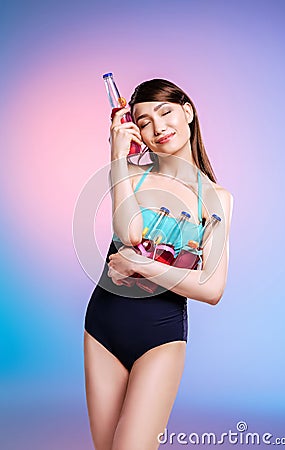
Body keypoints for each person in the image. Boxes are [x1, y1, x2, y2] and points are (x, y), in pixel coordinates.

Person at [84, 78, 234, 450]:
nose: (158, 127)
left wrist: (144, 267)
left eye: (165, 112)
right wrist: (117, 155)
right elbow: (130, 231)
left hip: (160, 336)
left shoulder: (216, 199)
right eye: (144, 121)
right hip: (101, 327)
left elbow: (212, 289)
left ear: (188, 111)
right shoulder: (132, 175)